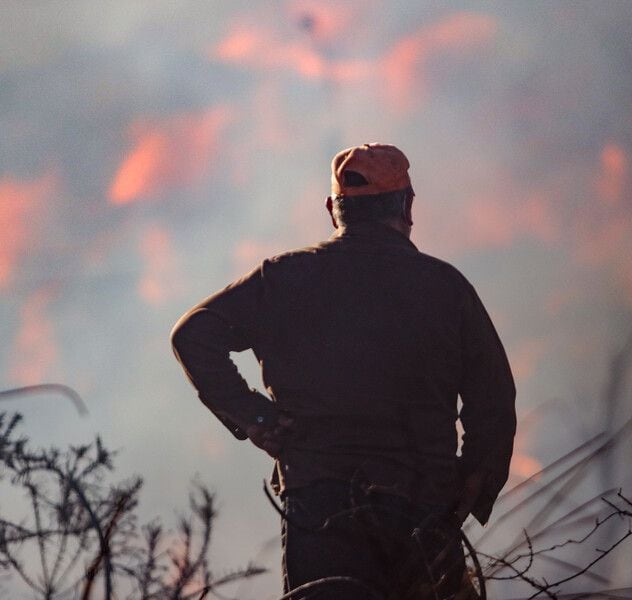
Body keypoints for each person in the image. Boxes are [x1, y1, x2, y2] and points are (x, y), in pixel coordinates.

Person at [170, 143, 517, 599]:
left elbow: (193, 335)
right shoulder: (446, 289)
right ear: (407, 206)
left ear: (333, 209)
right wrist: (469, 486)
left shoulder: (283, 279)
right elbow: (493, 401)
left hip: (319, 507)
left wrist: (255, 417)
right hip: (421, 508)